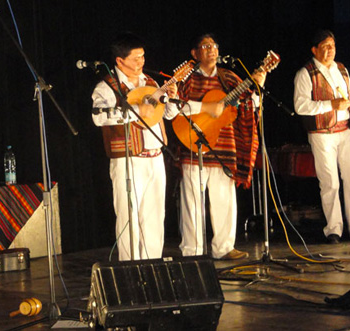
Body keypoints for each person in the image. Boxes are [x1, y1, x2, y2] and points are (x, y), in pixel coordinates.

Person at [90, 33, 186, 261]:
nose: (141, 62)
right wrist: (133, 112)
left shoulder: (151, 84)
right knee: (128, 216)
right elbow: (97, 117)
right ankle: (131, 268)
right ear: (119, 61)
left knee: (154, 215)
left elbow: (170, 115)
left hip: (155, 157)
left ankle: (152, 263)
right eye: (135, 58)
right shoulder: (107, 86)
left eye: (142, 57)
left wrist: (173, 97)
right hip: (127, 159)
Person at [176, 33, 266, 260]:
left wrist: (257, 88)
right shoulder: (186, 79)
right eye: (205, 46)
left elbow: (248, 106)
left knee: (224, 200)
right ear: (195, 53)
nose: (211, 49)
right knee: (192, 203)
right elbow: (175, 109)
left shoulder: (229, 78)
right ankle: (192, 250)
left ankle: (224, 248)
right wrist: (206, 108)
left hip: (224, 146)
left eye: (214, 45)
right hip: (193, 146)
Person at [293, 29, 350, 244]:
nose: (331, 50)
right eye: (325, 46)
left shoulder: (341, 69)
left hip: (344, 130)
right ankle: (333, 229)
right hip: (322, 134)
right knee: (330, 182)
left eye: (332, 45)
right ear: (315, 50)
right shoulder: (306, 73)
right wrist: (330, 104)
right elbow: (301, 105)